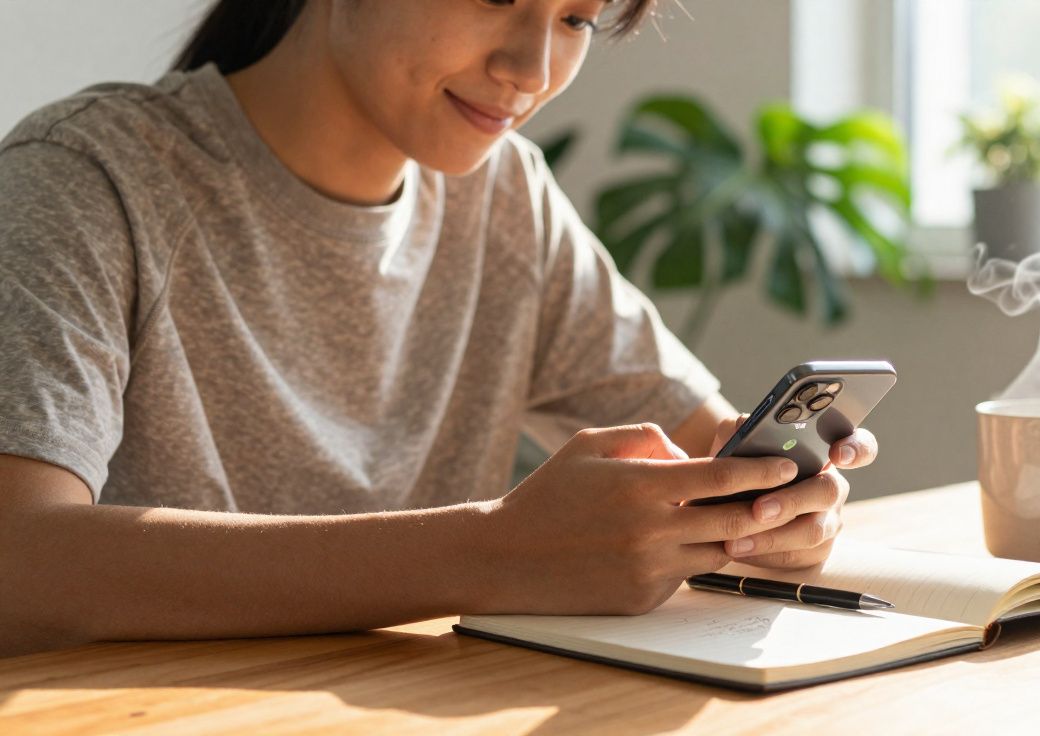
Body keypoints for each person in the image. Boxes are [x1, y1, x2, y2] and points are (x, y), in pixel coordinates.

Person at [0, 0, 878, 658]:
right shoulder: (88, 181)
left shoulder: (505, 198)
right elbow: (19, 560)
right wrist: (493, 551)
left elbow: (705, 448)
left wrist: (773, 509)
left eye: (576, 16)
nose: (532, 67)